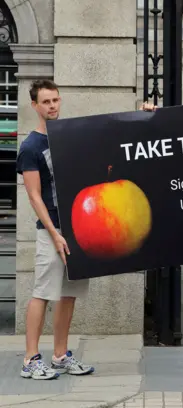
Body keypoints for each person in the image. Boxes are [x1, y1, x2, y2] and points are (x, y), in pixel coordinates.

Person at [17, 79, 94, 380]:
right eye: (45, 102)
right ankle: (29, 360)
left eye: (55, 100)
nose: (52, 106)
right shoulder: (30, 147)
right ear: (34, 105)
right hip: (52, 230)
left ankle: (60, 355)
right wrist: (54, 234)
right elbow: (34, 196)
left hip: (76, 228)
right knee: (43, 293)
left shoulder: (66, 138)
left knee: (68, 294)